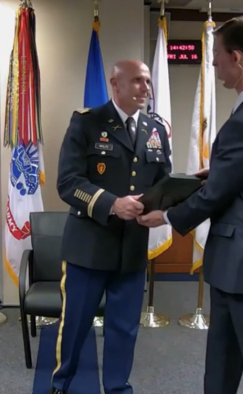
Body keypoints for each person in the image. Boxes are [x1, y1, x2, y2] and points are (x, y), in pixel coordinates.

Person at [137, 16, 243, 394]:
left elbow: (217, 196)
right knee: (222, 363)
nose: (213, 64)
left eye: (218, 56)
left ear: (237, 58)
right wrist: (218, 172)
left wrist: (168, 215)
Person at [51, 59, 171, 394]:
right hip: (89, 247)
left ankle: (117, 389)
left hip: (132, 248)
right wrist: (111, 204)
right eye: (136, 81)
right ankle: (61, 385)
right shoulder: (87, 123)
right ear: (114, 84)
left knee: (124, 329)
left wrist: (163, 210)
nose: (145, 88)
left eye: (147, 82)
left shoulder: (156, 129)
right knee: (75, 326)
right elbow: (68, 183)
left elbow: (164, 182)